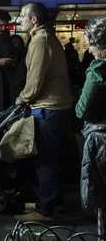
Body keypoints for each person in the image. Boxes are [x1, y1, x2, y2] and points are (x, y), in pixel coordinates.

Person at [14, 3, 74, 222]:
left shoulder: (40, 41)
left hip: (48, 108)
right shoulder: (47, 37)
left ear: (34, 20)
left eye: (22, 16)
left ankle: (44, 209)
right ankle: (53, 201)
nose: (19, 20)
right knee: (53, 158)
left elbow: (35, 80)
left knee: (45, 159)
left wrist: (22, 97)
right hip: (58, 107)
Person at [76, 18, 106, 214]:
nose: (89, 50)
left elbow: (82, 109)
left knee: (101, 198)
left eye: (91, 45)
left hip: (101, 137)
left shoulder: (97, 71)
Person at [9, 34, 27, 103]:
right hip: (13, 88)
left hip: (21, 88)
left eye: (18, 43)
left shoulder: (25, 56)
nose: (16, 46)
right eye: (13, 43)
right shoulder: (10, 56)